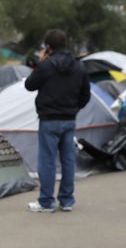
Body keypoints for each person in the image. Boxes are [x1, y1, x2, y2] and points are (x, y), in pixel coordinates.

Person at [24, 29, 90, 213]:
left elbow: (29, 85)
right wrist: (74, 109)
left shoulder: (47, 65)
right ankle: (67, 200)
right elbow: (86, 95)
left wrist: (41, 61)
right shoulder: (79, 66)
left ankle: (46, 201)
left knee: (47, 160)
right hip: (69, 119)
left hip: (48, 119)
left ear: (48, 47)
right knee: (68, 160)